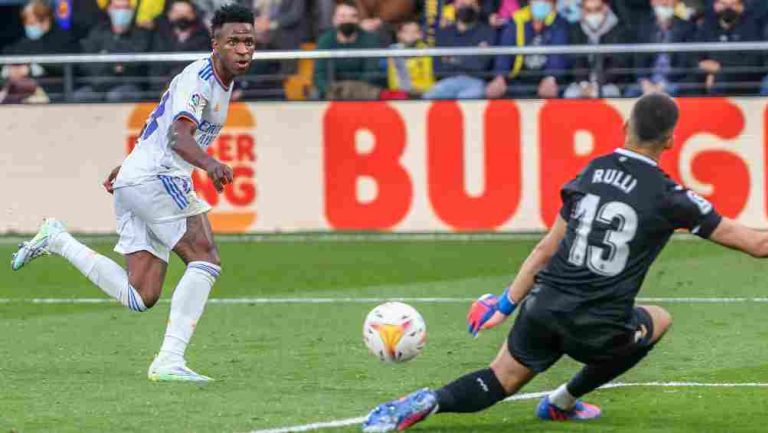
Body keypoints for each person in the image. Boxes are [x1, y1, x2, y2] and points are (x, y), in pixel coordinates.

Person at [361, 92, 768, 431]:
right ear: (671, 141)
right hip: (598, 325)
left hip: (544, 305)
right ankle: (563, 399)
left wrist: (503, 304)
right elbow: (755, 243)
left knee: (498, 380)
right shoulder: (672, 197)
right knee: (658, 319)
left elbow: (545, 249)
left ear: (625, 126)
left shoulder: (592, 171)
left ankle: (430, 401)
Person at [11, 5, 257, 383]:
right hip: (158, 176)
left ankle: (58, 240)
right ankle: (169, 359)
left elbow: (156, 121)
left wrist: (129, 164)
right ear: (215, 45)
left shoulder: (216, 80)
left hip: (139, 176)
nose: (243, 49)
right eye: (234, 41)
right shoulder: (201, 79)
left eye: (249, 42)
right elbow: (177, 135)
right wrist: (209, 165)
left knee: (140, 295)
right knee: (205, 258)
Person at [486, 0, 570, 99]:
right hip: (518, 78)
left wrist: (551, 77)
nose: (541, 3)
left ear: (553, 4)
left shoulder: (560, 23)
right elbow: (505, 50)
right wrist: (500, 76)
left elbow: (558, 55)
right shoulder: (517, 20)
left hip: (547, 78)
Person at [75, 0, 152, 102]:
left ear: (132, 10)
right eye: (117, 8)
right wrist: (113, 66)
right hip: (99, 84)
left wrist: (104, 58)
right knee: (79, 95)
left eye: (125, 8)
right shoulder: (98, 32)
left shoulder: (140, 34)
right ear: (109, 9)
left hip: (129, 84)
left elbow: (136, 63)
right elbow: (86, 63)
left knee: (115, 95)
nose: (122, 12)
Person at [423, 0, 495, 100]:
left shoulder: (487, 32)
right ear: (454, 6)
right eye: (462, 5)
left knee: (467, 97)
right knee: (430, 96)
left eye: (471, 5)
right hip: (447, 80)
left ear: (478, 8)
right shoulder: (443, 33)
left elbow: (481, 66)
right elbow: (438, 67)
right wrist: (469, 59)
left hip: (475, 81)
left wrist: (453, 60)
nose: (466, 8)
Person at [690, 0, 763, 95]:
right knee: (689, 82)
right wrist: (703, 65)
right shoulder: (707, 26)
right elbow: (693, 53)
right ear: (715, 5)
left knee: (721, 80)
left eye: (733, 4)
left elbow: (753, 60)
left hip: (740, 77)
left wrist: (720, 69)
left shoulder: (752, 27)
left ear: (742, 6)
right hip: (706, 74)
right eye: (723, 4)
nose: (728, 8)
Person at [313, 1, 382, 100]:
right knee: (315, 94)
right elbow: (319, 74)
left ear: (358, 19)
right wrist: (330, 89)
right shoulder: (325, 40)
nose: (347, 20)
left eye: (352, 16)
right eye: (342, 16)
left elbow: (371, 72)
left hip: (362, 90)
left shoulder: (370, 39)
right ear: (334, 19)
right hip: (333, 90)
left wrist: (351, 91)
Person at [627, 0, 695, 97]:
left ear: (675, 2)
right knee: (631, 92)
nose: (664, 3)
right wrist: (644, 81)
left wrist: (663, 85)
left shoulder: (686, 27)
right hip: (647, 82)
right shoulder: (643, 26)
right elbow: (638, 59)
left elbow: (684, 62)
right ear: (652, 2)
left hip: (673, 80)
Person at [563, 0, 627, 98]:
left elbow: (617, 64)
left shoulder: (618, 30)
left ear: (605, 8)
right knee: (570, 94)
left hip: (609, 83)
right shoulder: (576, 29)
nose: (593, 14)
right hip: (583, 84)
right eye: (588, 10)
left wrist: (597, 85)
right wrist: (584, 84)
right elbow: (576, 60)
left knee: (608, 93)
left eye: (597, 9)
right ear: (583, 11)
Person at [149, 0, 210, 93]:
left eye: (186, 13)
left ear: (194, 15)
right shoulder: (158, 34)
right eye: (177, 12)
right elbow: (155, 67)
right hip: (161, 91)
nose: (182, 16)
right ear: (169, 14)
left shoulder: (204, 36)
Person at [385, 19, 435, 97]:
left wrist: (418, 90)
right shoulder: (394, 51)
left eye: (414, 32)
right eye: (406, 31)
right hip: (400, 95)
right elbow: (394, 82)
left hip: (423, 94)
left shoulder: (426, 51)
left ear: (420, 34)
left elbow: (428, 79)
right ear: (399, 34)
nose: (410, 35)